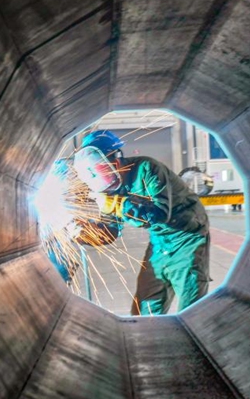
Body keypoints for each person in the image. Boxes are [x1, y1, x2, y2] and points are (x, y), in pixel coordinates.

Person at [72, 130, 211, 315]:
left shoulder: (148, 168)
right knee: (144, 308)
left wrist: (119, 205)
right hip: (159, 242)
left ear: (114, 162)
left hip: (188, 238)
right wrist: (85, 233)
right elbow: (110, 231)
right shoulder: (109, 189)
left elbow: (160, 214)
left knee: (192, 308)